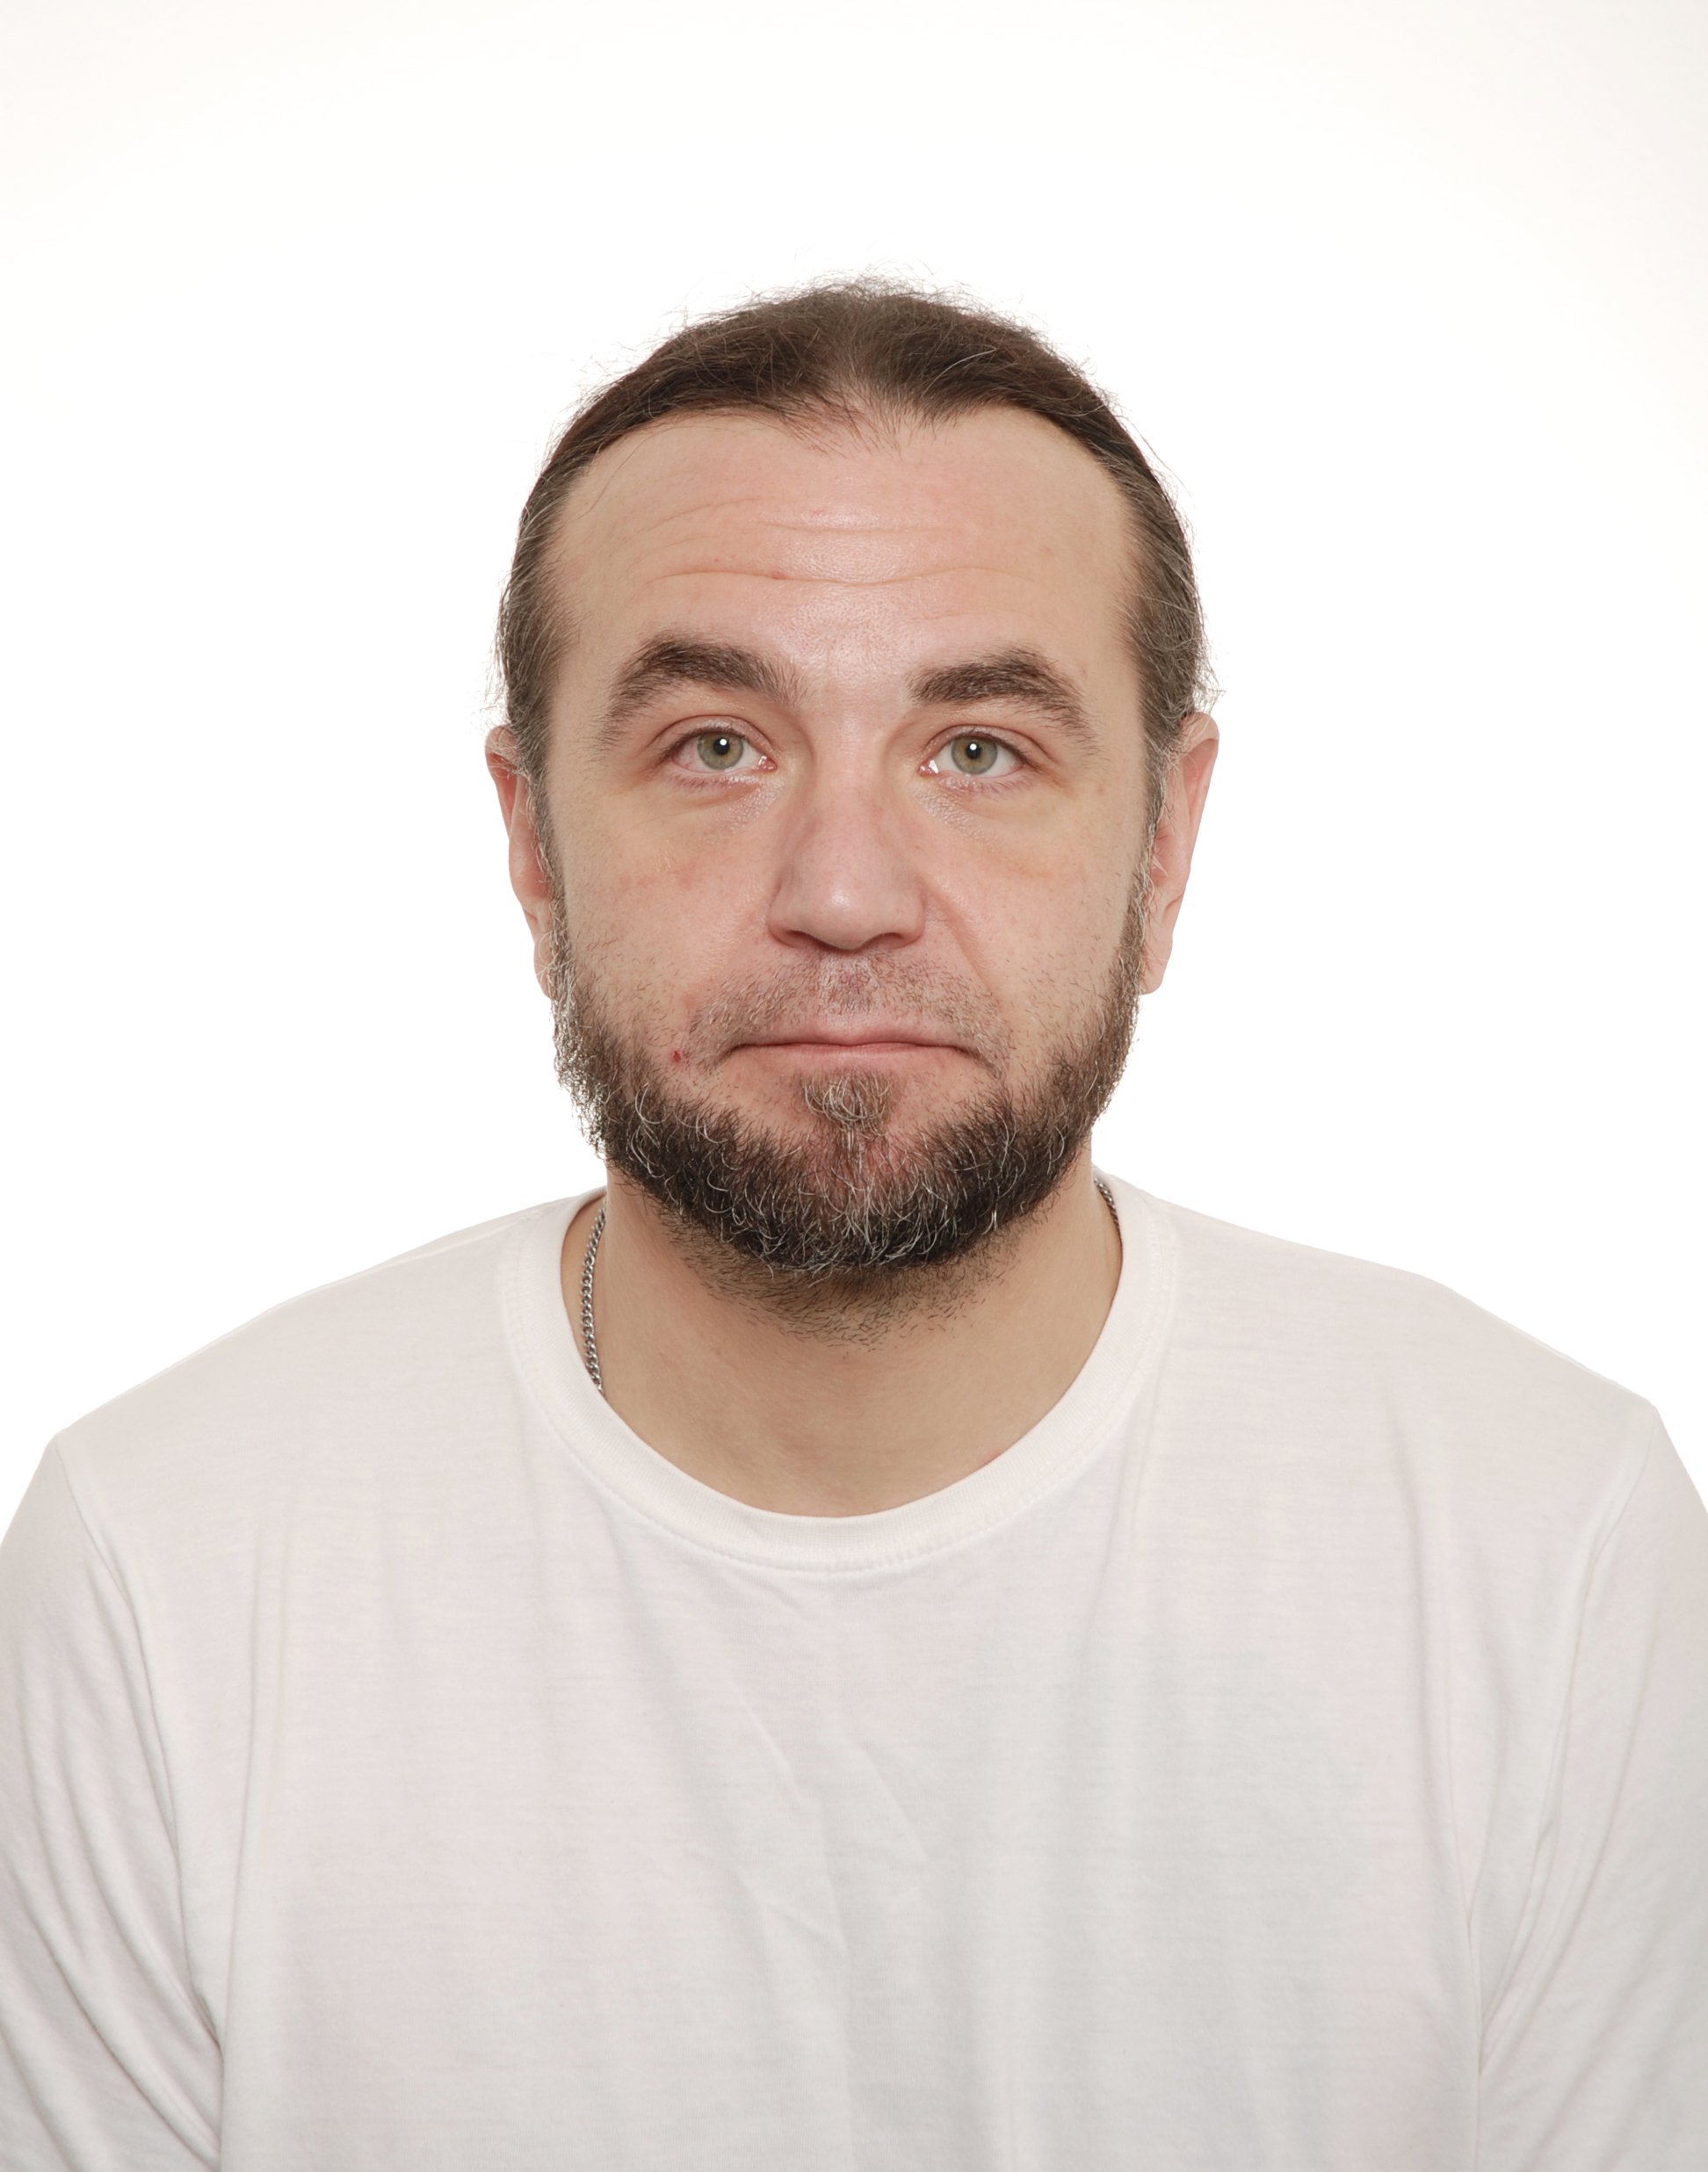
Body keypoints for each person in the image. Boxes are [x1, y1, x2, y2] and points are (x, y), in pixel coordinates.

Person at [2, 279, 1704, 2172]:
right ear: (532, 846)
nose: (842, 892)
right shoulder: (165, 1571)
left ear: (1165, 846)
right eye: (715, 745)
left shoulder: (1548, 1546)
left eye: (977, 748)